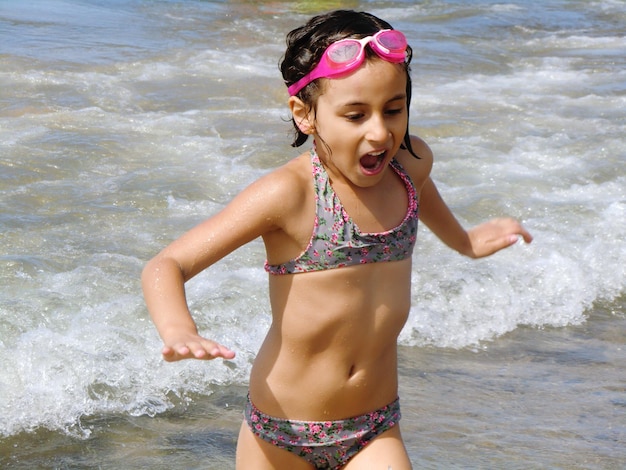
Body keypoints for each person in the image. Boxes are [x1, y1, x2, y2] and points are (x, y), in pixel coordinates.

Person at [142, 9, 533, 470]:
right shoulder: (289, 195)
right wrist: (179, 329)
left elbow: (421, 197)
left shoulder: (410, 166)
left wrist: (464, 241)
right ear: (305, 114)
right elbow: (166, 265)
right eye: (355, 114)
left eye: (394, 109)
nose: (380, 132)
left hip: (374, 425)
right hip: (281, 433)